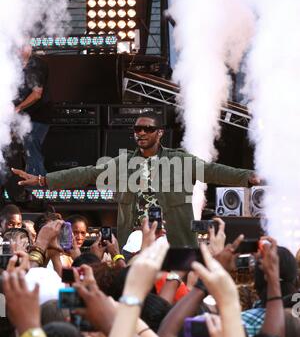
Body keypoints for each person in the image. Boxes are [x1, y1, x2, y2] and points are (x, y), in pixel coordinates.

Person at [11, 115, 260, 247]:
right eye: (137, 130)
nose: (140, 133)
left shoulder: (180, 160)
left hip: (174, 243)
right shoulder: (121, 163)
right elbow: (86, 173)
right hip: (133, 242)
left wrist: (246, 177)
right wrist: (43, 180)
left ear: (159, 132)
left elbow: (213, 170)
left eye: (147, 129)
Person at [14, 44, 50, 176]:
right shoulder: (17, 65)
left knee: (32, 151)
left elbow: (37, 94)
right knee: (25, 153)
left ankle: (38, 188)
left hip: (37, 117)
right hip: (23, 117)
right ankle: (29, 189)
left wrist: (18, 108)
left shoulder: (36, 65)